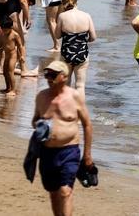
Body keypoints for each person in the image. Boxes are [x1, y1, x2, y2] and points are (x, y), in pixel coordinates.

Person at [31, 60, 94, 216]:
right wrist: (40, 126)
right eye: (47, 75)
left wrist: (87, 155)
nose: (49, 78)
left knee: (65, 191)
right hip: (47, 153)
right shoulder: (41, 97)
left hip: (69, 152)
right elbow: (35, 120)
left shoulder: (75, 97)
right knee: (53, 192)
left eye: (53, 75)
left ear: (64, 77)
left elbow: (87, 125)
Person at [57, 0, 96, 105]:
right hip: (82, 53)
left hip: (66, 53)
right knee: (80, 85)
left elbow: (57, 36)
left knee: (66, 83)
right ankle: (79, 112)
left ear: (63, 5)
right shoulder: (86, 15)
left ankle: (66, 107)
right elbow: (93, 37)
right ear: (76, 3)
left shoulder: (62, 16)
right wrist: (83, 41)